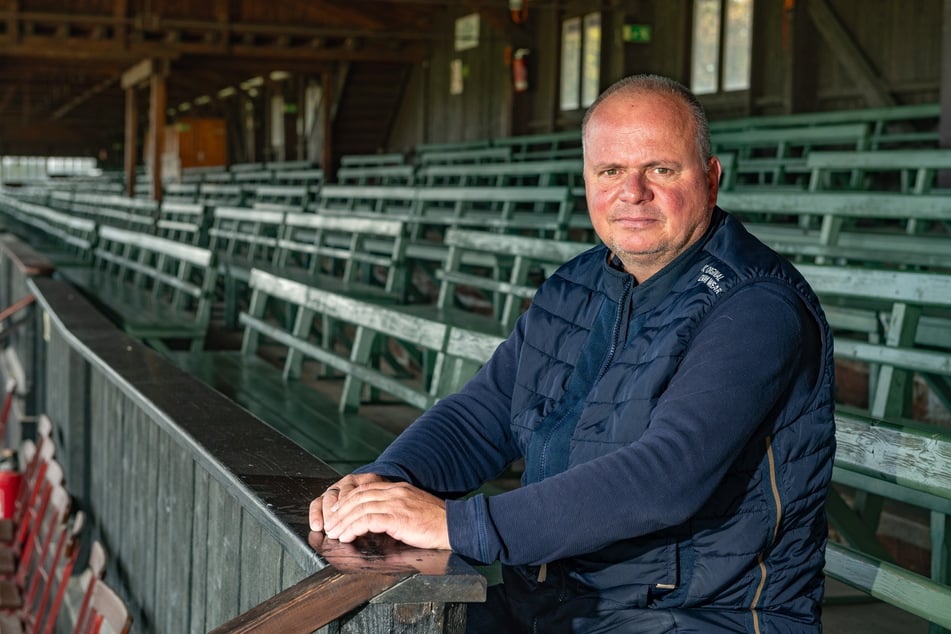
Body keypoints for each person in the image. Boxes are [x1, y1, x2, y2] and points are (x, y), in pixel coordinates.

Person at [309, 74, 836, 633]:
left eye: (660, 168)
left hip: (697, 616)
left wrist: (459, 525)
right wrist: (384, 482)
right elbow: (482, 417)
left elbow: (664, 477)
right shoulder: (577, 285)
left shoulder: (756, 306)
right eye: (610, 171)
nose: (632, 191)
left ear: (710, 177)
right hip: (559, 603)